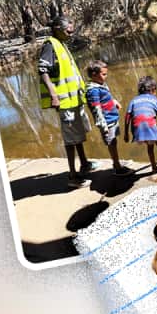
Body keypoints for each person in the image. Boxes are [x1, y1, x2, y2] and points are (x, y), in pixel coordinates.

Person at [37, 16, 95, 187]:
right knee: (70, 139)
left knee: (78, 134)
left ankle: (84, 163)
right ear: (56, 28)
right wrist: (54, 95)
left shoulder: (61, 44)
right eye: (67, 30)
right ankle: (73, 176)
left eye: (71, 30)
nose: (70, 33)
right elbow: (42, 70)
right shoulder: (50, 45)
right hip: (64, 101)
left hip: (74, 99)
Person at [84, 60, 129, 175]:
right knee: (111, 142)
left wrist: (113, 101)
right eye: (103, 74)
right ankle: (117, 167)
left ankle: (116, 162)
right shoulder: (93, 90)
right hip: (106, 122)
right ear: (94, 75)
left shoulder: (100, 85)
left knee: (114, 142)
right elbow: (96, 109)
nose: (106, 76)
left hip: (112, 118)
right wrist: (103, 126)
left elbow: (105, 98)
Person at [126, 76, 157, 173]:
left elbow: (127, 116)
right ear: (153, 90)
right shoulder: (154, 100)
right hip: (149, 125)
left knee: (150, 146)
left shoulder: (133, 100)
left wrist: (126, 133)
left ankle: (153, 167)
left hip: (137, 128)